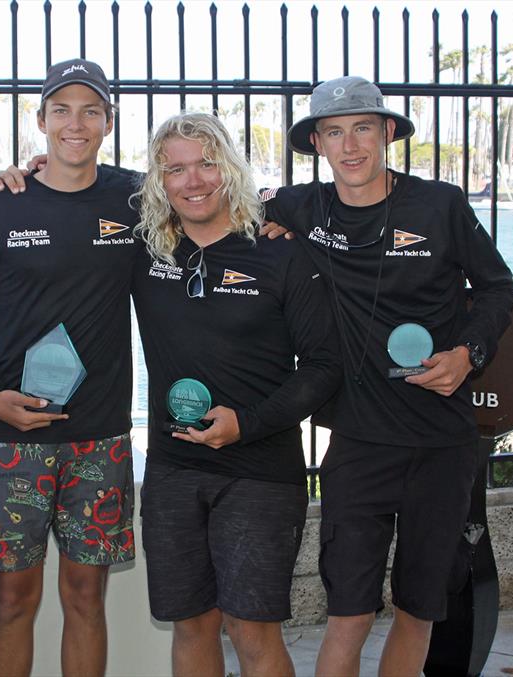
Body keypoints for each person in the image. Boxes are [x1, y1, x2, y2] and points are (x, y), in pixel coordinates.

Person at [261, 76, 513, 676]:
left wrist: (467, 355)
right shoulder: (297, 207)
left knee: (417, 610)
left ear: (388, 133)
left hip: (441, 443)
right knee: (347, 614)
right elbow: (197, 196)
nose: (350, 146)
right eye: (334, 132)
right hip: (357, 444)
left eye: (363, 128)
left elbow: (499, 289)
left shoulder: (441, 204)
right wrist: (40, 174)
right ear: (317, 143)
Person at [130, 112, 342, 677]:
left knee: (252, 631)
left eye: (206, 164)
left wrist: (246, 423)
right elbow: (77, 194)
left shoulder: (280, 253)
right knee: (192, 626)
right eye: (175, 169)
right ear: (158, 181)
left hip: (260, 473)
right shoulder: (145, 252)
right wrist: (23, 172)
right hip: (174, 471)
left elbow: (323, 367)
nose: (193, 181)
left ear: (230, 168)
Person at [0, 58, 140, 677]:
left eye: (91, 110)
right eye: (61, 109)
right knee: (13, 603)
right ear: (40, 120)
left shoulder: (137, 199)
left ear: (109, 122)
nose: (75, 123)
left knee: (86, 598)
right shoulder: (1, 204)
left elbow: (213, 204)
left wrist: (280, 218)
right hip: (14, 436)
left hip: (101, 436)